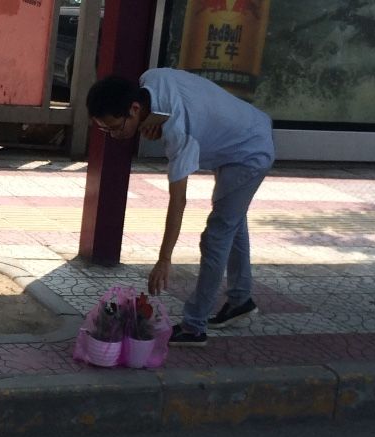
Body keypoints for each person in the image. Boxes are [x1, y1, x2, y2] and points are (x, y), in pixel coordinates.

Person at [86, 68, 275, 347]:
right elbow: (163, 106)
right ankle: (240, 300)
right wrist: (145, 124)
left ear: (134, 108)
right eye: (105, 129)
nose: (113, 135)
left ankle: (194, 326)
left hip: (249, 153)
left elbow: (178, 201)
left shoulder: (178, 130)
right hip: (245, 135)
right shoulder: (150, 79)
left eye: (115, 127)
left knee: (216, 236)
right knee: (232, 222)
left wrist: (164, 259)